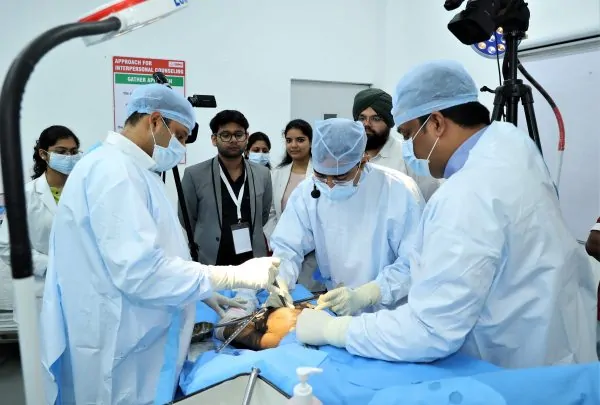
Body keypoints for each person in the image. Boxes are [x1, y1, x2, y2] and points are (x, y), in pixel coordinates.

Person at [295, 60, 598, 369]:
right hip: (562, 342)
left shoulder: (467, 193)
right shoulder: (511, 143)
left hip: (516, 363)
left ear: (437, 123)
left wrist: (334, 330)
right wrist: (374, 291)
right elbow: (434, 259)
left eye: (409, 134)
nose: (410, 148)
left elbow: (430, 330)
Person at [40, 84, 281, 405]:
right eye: (179, 135)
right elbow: (141, 271)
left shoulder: (131, 169)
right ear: (154, 121)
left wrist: (203, 292)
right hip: (120, 342)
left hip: (131, 329)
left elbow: (159, 248)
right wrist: (231, 275)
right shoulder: (113, 172)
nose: (180, 146)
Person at [266, 118, 424, 315]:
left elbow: (414, 260)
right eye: (321, 175)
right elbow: (288, 246)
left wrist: (370, 293)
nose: (330, 185)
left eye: (340, 177)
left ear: (363, 160)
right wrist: (281, 280)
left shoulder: (399, 190)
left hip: (389, 311)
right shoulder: (307, 191)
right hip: (336, 308)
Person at [0, 125, 81, 313]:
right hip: (40, 291)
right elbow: (6, 245)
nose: (69, 157)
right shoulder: (25, 195)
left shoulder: (86, 192)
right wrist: (49, 265)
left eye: (73, 152)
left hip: (81, 288)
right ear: (43, 154)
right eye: (61, 152)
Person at [180, 110, 273, 266]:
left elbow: (263, 215)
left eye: (238, 134)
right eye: (225, 135)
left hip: (252, 262)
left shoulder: (262, 174)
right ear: (214, 139)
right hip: (212, 262)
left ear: (246, 137)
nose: (233, 140)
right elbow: (187, 219)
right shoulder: (194, 175)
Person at [263, 119, 322, 291]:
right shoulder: (276, 174)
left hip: (315, 251)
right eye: (289, 140)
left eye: (300, 140)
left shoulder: (323, 174)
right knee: (284, 289)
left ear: (311, 142)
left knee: (311, 295)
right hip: (284, 249)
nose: (294, 145)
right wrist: (279, 239)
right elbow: (270, 212)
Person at [353, 88, 441, 201]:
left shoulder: (411, 157)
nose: (366, 124)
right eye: (362, 118)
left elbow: (429, 200)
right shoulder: (348, 157)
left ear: (389, 122)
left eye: (376, 119)